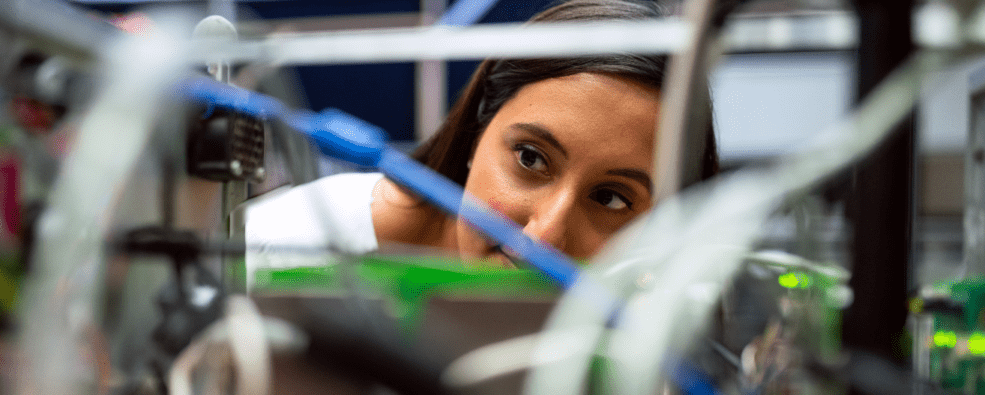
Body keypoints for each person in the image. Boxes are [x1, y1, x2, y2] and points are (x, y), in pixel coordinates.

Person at [244, 0, 718, 275]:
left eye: (611, 199)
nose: (545, 235)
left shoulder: (637, 335)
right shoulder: (281, 252)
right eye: (531, 160)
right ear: (476, 134)